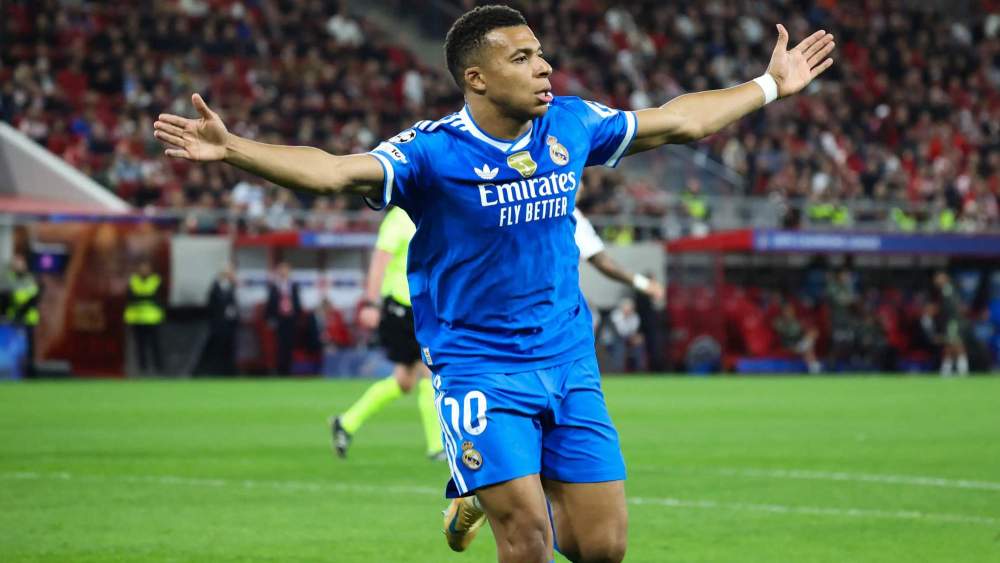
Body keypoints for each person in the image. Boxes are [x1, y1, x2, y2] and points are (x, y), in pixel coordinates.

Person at [153, 5, 834, 560]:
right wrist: (233, 147)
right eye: (523, 58)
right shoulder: (430, 153)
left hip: (568, 358)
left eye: (541, 54)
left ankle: (480, 485)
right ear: (476, 78)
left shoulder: (570, 122)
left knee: (604, 546)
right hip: (479, 365)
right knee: (529, 540)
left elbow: (680, 120)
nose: (544, 67)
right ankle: (486, 483)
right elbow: (334, 170)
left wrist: (770, 85)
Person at [330, 206, 445, 462]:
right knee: (429, 372)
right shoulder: (399, 218)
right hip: (401, 309)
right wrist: (370, 303)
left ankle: (346, 423)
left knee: (404, 381)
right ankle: (437, 447)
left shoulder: (426, 214)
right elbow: (379, 261)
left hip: (420, 307)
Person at [124, 260, 164, 374]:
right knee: (140, 346)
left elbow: (157, 297)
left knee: (155, 345)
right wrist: (146, 297)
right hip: (136, 318)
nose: (144, 270)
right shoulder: (133, 280)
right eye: (142, 267)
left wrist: (141, 297)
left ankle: (159, 369)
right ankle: (142, 369)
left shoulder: (155, 280)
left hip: (152, 318)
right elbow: (130, 297)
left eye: (146, 267)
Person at [5, 253, 40, 378]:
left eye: (20, 263)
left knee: (29, 348)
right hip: (12, 320)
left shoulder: (30, 279)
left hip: (28, 319)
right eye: (15, 263)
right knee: (12, 347)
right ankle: (13, 372)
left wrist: (22, 311)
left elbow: (34, 298)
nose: (18, 265)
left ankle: (29, 373)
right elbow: (6, 299)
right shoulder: (8, 279)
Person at [265, 261, 301, 375]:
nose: (284, 272)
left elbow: (297, 303)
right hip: (279, 319)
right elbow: (270, 303)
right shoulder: (274, 286)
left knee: (289, 344)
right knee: (279, 345)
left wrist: (297, 317)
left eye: (286, 270)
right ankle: (280, 369)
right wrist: (270, 318)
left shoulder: (294, 286)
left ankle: (289, 369)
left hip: (290, 319)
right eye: (281, 270)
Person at [203, 262, 239, 375]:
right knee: (218, 347)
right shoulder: (215, 286)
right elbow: (211, 306)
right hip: (218, 323)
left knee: (230, 347)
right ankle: (217, 371)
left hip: (230, 323)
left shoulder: (232, 286)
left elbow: (234, 304)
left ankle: (230, 371)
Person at [934, 271, 969, 376]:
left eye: (939, 278)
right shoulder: (946, 290)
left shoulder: (947, 290)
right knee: (949, 345)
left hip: (953, 322)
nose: (936, 280)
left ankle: (961, 370)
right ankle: (948, 370)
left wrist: (940, 312)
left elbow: (952, 308)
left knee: (956, 344)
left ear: (945, 279)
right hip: (952, 321)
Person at [771, 302, 821, 374]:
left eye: (791, 310)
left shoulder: (799, 321)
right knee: (807, 348)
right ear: (783, 312)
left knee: (809, 344)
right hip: (788, 345)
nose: (789, 312)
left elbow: (814, 332)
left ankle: (814, 367)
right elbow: (779, 329)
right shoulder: (780, 321)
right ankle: (815, 368)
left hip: (799, 344)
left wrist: (808, 336)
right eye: (787, 311)